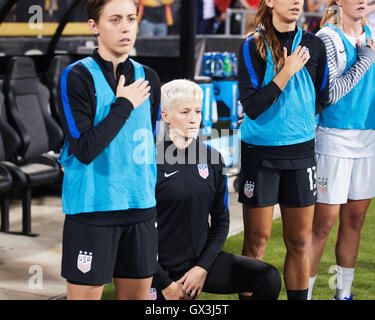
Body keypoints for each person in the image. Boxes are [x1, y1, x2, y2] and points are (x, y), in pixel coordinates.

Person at [57, 0, 161, 300]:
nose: (126, 26)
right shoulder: (76, 76)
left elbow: (146, 144)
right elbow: (86, 148)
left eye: (130, 18)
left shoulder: (150, 77)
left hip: (140, 207)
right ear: (94, 26)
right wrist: (124, 105)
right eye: (114, 19)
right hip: (93, 210)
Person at [151, 79, 281, 300]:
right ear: (165, 115)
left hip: (200, 264)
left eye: (198, 111)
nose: (194, 119)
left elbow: (221, 221)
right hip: (156, 271)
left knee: (268, 277)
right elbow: (136, 234)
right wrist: (165, 283)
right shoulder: (148, 160)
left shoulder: (212, 158)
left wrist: (201, 268)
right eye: (184, 112)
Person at [237, 0, 330, 300]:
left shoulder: (315, 45)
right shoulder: (252, 45)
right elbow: (252, 108)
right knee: (256, 242)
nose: (296, 2)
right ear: (269, 1)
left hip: (302, 154)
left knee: (299, 242)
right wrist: (286, 72)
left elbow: (323, 95)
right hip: (260, 155)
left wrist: (299, 118)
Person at [308, 0, 375, 300]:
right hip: (333, 138)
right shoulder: (328, 37)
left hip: (369, 138)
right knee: (322, 226)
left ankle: (342, 295)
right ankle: (303, 295)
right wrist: (365, 59)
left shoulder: (372, 33)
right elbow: (330, 95)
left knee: (355, 221)